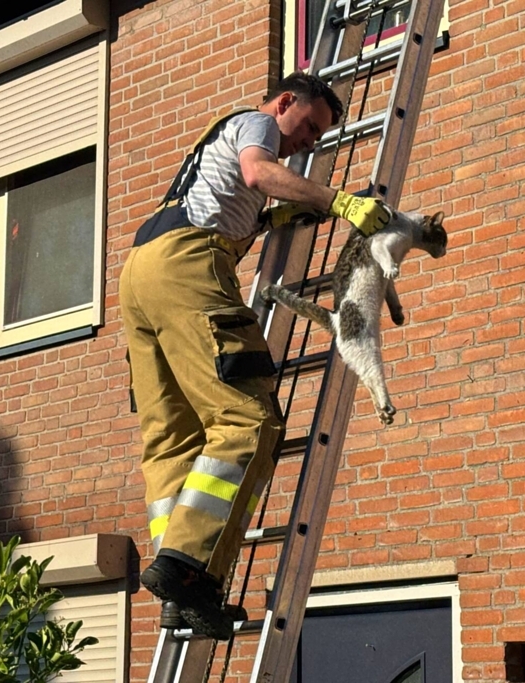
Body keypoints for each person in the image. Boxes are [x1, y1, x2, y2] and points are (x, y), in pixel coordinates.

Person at [120, 73, 392, 638]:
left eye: (319, 137)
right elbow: (257, 173)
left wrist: (273, 218)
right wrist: (338, 202)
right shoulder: (258, 123)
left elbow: (234, 198)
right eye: (310, 126)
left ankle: (179, 587)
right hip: (187, 265)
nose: (309, 142)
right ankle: (189, 568)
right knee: (250, 419)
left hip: (140, 273)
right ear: (286, 101)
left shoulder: (217, 147)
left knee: (174, 436)